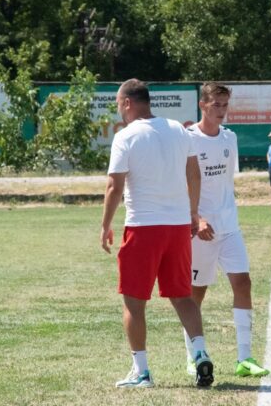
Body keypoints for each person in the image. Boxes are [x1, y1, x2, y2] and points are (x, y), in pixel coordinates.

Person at [100, 78, 215, 388]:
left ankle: (141, 371)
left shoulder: (125, 136)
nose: (118, 110)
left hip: (143, 227)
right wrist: (192, 213)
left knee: (134, 301)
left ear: (127, 103)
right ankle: (200, 354)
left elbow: (114, 186)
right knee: (183, 296)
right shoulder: (178, 129)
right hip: (177, 227)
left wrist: (105, 225)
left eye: (118, 104)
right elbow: (194, 173)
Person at [183, 82, 270, 378]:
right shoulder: (188, 139)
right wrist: (196, 218)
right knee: (196, 293)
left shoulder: (229, 138)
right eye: (216, 105)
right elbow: (183, 183)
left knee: (243, 283)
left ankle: (244, 358)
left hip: (229, 227)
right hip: (199, 231)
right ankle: (194, 355)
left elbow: (226, 183)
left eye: (225, 105)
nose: (221, 111)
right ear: (202, 105)